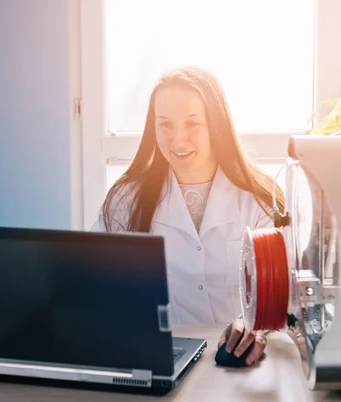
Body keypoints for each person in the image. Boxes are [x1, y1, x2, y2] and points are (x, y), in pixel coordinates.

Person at [91, 65, 284, 366]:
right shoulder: (125, 200)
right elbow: (89, 280)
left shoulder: (259, 199)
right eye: (164, 124)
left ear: (216, 125)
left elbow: (283, 294)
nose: (178, 140)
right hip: (159, 358)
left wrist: (254, 327)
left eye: (193, 123)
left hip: (241, 362)